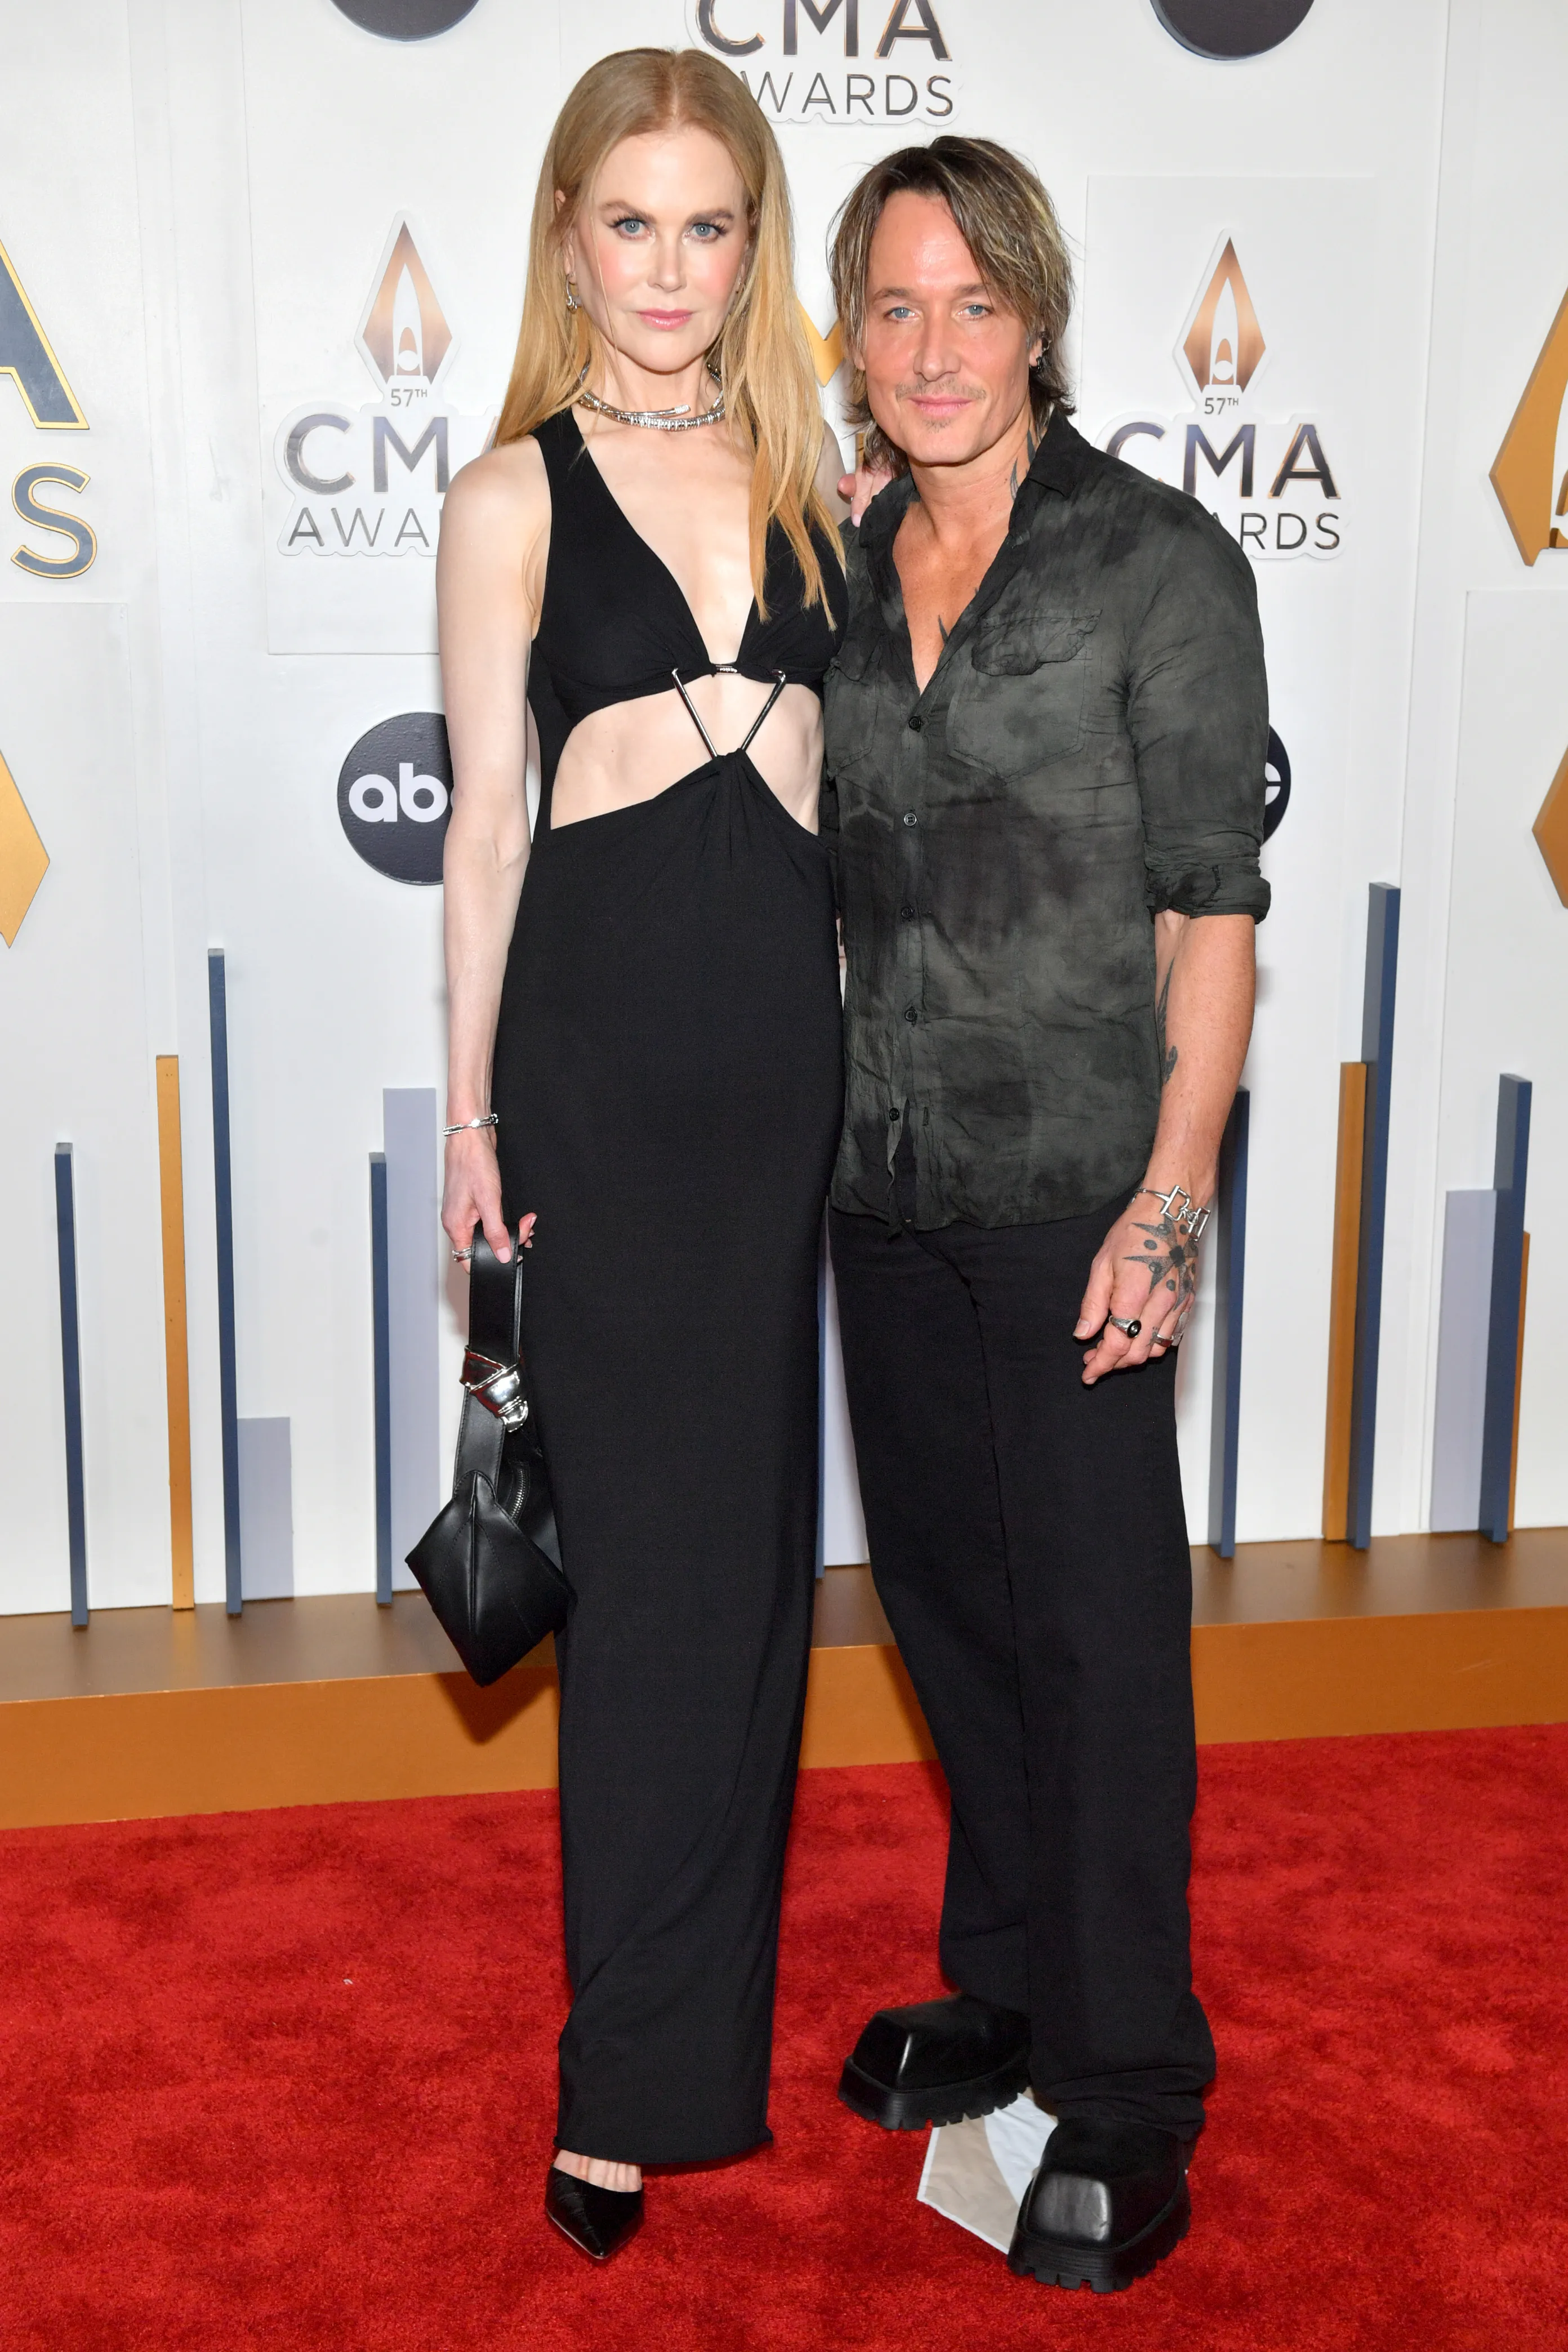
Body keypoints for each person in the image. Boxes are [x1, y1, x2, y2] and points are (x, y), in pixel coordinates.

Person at [821, 137, 1268, 2293]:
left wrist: (1170, 1205)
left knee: (1098, 1649)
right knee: (956, 1616)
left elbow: (1216, 913)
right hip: (881, 1195)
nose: (932, 347)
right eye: (893, 306)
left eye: (971, 304)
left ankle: (1131, 2087)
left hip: (1079, 1194)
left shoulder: (1156, 567)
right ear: (852, 331)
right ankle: (999, 1979)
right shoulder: (837, 574)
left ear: (1038, 315)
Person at [436, 48, 847, 2264]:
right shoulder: (510, 496)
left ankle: (689, 2049)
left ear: (748, 244)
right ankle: (618, 2080)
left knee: (750, 1571)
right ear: (569, 236)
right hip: (593, 1061)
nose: (669, 270)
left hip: (782, 1059)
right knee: (643, 1575)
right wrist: (477, 1113)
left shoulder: (819, 484)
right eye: (632, 223)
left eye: (710, 226)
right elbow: (484, 837)